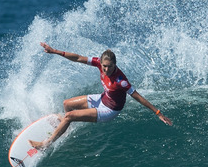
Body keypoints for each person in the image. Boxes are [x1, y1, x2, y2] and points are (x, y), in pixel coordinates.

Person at [29, 42, 172, 149]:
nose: (106, 69)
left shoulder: (120, 81)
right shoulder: (99, 63)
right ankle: (67, 129)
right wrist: (55, 51)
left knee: (68, 116)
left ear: (115, 64)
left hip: (109, 110)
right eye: (104, 66)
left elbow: (137, 96)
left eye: (110, 66)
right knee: (67, 104)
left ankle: (45, 144)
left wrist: (158, 113)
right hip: (102, 98)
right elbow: (78, 58)